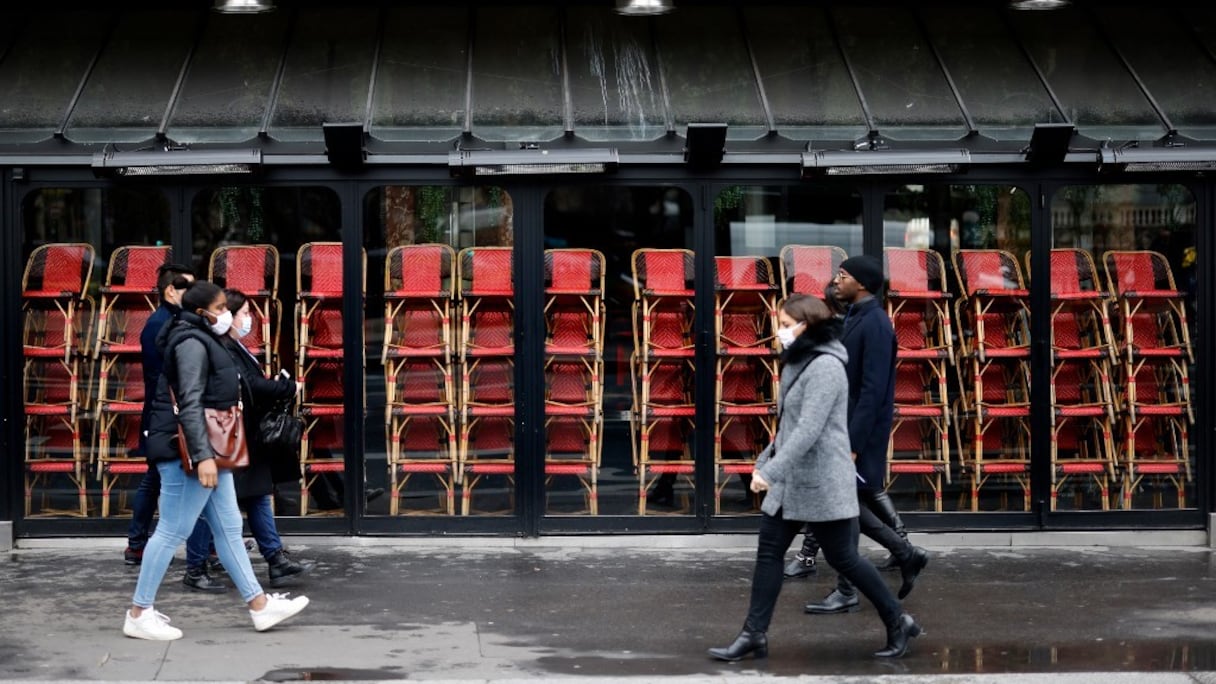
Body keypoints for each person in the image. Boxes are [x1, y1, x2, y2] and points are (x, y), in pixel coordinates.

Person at [707, 294, 922, 661]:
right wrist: (764, 461)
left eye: (786, 325)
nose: (779, 332)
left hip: (823, 479)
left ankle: (897, 619)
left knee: (845, 559)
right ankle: (753, 634)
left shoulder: (826, 366)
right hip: (794, 481)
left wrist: (770, 472)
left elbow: (808, 430)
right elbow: (789, 426)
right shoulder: (799, 361)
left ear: (807, 327)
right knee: (769, 554)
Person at [123, 280, 309, 641]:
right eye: (221, 308)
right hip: (191, 452)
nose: (227, 314)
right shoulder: (191, 343)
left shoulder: (203, 339)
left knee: (227, 529)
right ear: (201, 312)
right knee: (172, 529)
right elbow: (190, 402)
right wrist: (203, 457)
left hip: (205, 450)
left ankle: (259, 605)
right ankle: (139, 611)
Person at [804, 255, 929, 616]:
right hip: (846, 431)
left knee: (841, 509)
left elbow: (873, 391)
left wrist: (854, 446)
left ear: (861, 283)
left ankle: (853, 585)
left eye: (842, 276)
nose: (835, 281)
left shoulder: (875, 324)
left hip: (859, 436)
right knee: (846, 509)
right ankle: (905, 554)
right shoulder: (857, 317)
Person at [124, 264, 220, 594]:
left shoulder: (170, 322)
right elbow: (167, 379)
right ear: (170, 291)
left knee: (155, 481)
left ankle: (141, 546)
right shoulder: (161, 326)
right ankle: (174, 556)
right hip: (168, 419)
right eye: (188, 290)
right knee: (164, 487)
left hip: (166, 417)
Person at [220, 288, 314, 587]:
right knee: (208, 507)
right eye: (245, 313)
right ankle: (199, 564)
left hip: (247, 436)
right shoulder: (224, 348)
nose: (249, 319)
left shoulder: (235, 346)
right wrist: (286, 389)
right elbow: (249, 386)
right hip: (234, 436)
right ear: (229, 317)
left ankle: (275, 559)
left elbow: (251, 383)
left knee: (258, 495)